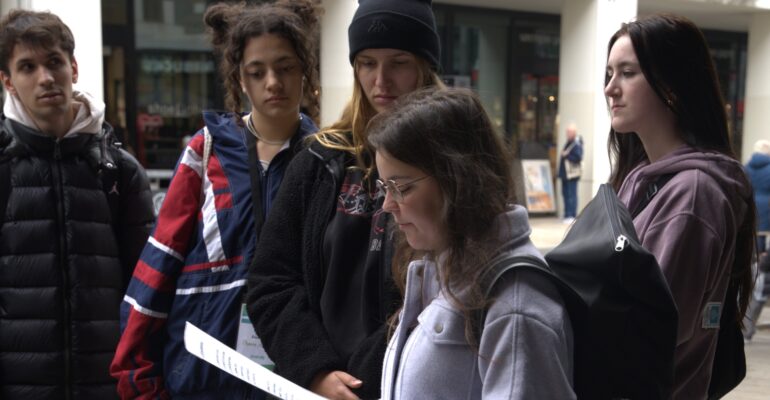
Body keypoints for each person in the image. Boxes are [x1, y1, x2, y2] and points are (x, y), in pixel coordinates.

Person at [109, 1, 320, 398]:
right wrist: (138, 381)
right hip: (203, 380)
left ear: (305, 71)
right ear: (240, 80)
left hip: (293, 377)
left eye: (286, 67)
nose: (272, 82)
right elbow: (156, 269)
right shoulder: (206, 153)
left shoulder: (328, 159)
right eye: (257, 72)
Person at [246, 0, 444, 398]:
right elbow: (271, 282)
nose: (381, 80)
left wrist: (360, 378)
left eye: (399, 62)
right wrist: (315, 370)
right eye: (367, 63)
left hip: (412, 383)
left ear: (425, 66)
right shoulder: (320, 160)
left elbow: (454, 289)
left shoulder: (454, 162)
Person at [371, 87, 575, 399]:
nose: (387, 204)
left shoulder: (515, 305)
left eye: (401, 187)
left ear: (459, 180)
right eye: (385, 186)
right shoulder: (444, 262)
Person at [0, 9, 154, 399]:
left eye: (54, 62)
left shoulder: (118, 171)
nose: (46, 77)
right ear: (9, 83)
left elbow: (147, 294)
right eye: (27, 67)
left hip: (106, 386)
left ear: (74, 67)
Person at [605, 13, 756, 398]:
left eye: (627, 73)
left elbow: (652, 329)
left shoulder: (692, 194)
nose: (611, 88)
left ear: (670, 84)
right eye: (609, 73)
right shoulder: (639, 177)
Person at [558, 123, 582, 223]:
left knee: (571, 195)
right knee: (565, 194)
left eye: (569, 132)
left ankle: (571, 215)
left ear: (574, 132)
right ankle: (567, 214)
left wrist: (566, 155)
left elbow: (578, 157)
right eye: (566, 131)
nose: (567, 133)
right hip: (565, 174)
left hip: (571, 175)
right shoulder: (568, 142)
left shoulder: (576, 143)